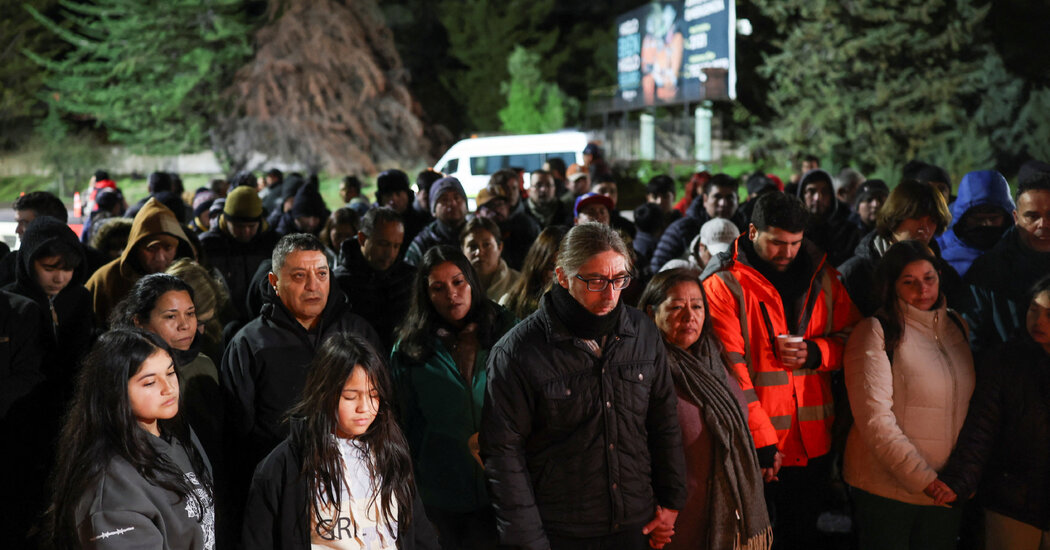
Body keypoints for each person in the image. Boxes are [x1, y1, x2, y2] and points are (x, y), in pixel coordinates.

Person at [480, 223, 686, 550]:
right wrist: (527, 541)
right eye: (595, 281)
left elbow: (664, 422)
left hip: (636, 520)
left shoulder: (642, 332)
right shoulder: (519, 352)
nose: (610, 294)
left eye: (619, 279)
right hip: (562, 529)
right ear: (563, 277)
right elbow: (504, 455)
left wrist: (671, 502)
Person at [701, 191, 860, 549]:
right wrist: (760, 440)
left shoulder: (824, 278)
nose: (787, 252)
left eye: (795, 243)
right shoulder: (724, 285)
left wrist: (816, 353)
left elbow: (856, 339)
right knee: (752, 540)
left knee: (802, 535)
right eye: (777, 242)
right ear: (752, 232)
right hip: (755, 444)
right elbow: (731, 370)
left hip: (814, 440)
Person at [221, 233, 382, 521]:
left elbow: (385, 409)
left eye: (321, 274)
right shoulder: (249, 344)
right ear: (274, 281)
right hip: (282, 491)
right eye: (299, 276)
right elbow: (238, 434)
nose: (313, 285)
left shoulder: (358, 333)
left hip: (357, 487)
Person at [243, 333, 438, 549]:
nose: (364, 407)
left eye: (374, 395)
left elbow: (420, 534)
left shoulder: (390, 452)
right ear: (323, 393)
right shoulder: (283, 467)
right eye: (350, 397)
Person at [843, 240, 974, 550]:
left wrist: (957, 477)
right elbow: (875, 420)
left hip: (944, 488)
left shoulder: (956, 326)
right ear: (891, 285)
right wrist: (923, 478)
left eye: (929, 278)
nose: (923, 289)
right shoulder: (876, 331)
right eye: (909, 281)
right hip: (886, 488)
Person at [41, 329, 214, 550]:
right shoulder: (112, 485)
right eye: (150, 382)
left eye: (170, 373)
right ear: (116, 390)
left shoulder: (178, 434)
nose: (169, 388)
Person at [639, 268, 773, 550]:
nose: (689, 316)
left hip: (720, 512)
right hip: (669, 520)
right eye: (676, 307)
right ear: (651, 313)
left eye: (697, 306)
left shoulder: (715, 359)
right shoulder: (645, 368)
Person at [391, 246, 515, 549]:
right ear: (426, 294)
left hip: (505, 487)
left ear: (471, 282)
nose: (451, 294)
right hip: (440, 492)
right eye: (438, 287)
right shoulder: (410, 349)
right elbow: (402, 425)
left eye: (458, 282)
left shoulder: (506, 331)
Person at [937, 275, 1050, 550]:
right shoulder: (1004, 362)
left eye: (1049, 314)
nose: (1038, 321)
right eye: (1033, 309)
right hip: (1012, 500)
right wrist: (960, 481)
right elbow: (980, 427)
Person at [112, 273, 223, 465]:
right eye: (171, 316)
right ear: (139, 321)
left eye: (190, 313)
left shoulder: (204, 365)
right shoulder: (122, 371)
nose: (185, 325)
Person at [962, 164, 1050, 352]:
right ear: (1016, 218)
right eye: (1032, 217)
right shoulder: (987, 272)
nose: (1043, 224)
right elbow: (971, 340)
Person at [838, 179, 959, 317]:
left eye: (932, 220)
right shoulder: (854, 275)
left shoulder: (945, 276)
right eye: (916, 217)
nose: (925, 228)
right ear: (895, 216)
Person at [86, 197, 196, 326]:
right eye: (151, 249)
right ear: (135, 248)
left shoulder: (191, 278)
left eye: (168, 248)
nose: (160, 257)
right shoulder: (106, 280)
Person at [334, 207, 416, 354]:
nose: (390, 253)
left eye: (396, 246)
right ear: (362, 239)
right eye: (383, 244)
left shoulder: (409, 278)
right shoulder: (339, 283)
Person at [199, 186, 280, 327]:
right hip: (221, 322)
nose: (246, 232)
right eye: (239, 227)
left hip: (264, 321)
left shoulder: (273, 243)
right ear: (226, 220)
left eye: (251, 226)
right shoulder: (208, 245)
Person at [651, 173, 748, 273]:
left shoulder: (747, 231)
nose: (723, 203)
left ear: (737, 200)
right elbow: (658, 269)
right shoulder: (681, 229)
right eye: (717, 197)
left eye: (729, 197)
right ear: (705, 199)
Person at [936, 170, 1015, 277]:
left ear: (1006, 217)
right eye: (978, 219)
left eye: (993, 218)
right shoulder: (937, 250)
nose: (986, 224)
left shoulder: (1022, 249)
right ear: (963, 217)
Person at [796, 168, 862, 267]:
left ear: (832, 196)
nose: (817, 198)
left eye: (824, 191)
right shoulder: (793, 232)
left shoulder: (848, 233)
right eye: (811, 191)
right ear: (802, 195)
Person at [499, 225, 567, 319]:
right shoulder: (510, 302)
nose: (558, 277)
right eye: (551, 267)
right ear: (538, 264)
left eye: (565, 270)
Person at [485, 169, 543, 270]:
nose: (511, 193)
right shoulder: (485, 220)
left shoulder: (528, 222)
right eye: (506, 188)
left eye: (514, 188)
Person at [405, 177, 468, 267]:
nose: (453, 203)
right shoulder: (422, 243)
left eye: (457, 198)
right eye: (444, 199)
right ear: (433, 210)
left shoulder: (477, 235)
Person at [460, 216, 520, 302]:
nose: (479, 252)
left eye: (486, 245)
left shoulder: (519, 284)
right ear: (463, 250)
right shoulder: (455, 287)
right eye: (472, 246)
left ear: (500, 247)